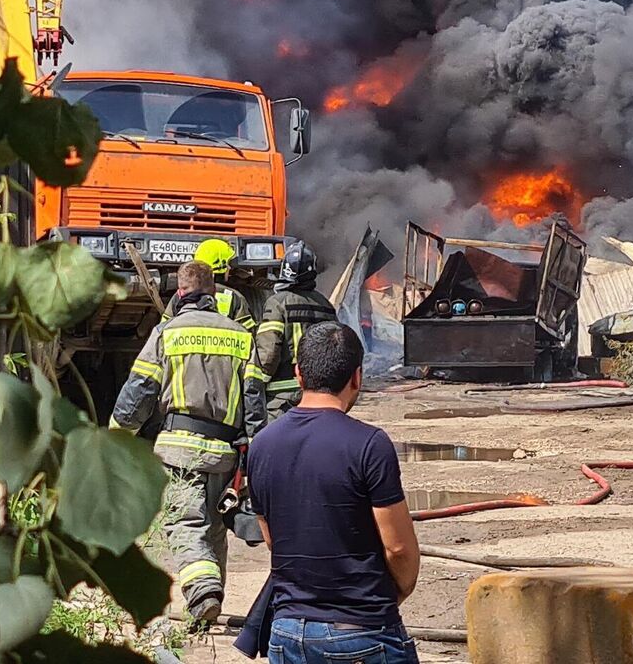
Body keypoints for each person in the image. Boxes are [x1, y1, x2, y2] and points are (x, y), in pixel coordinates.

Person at [243, 323, 420, 664]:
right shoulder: (370, 445)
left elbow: (273, 539)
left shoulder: (262, 445)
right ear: (357, 376)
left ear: (298, 374)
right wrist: (397, 591)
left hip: (287, 633)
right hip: (363, 632)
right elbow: (398, 548)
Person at [113, 260, 267, 623]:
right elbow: (255, 404)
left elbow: (139, 392)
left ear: (180, 293)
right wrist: (254, 456)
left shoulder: (167, 333)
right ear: (214, 294)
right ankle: (208, 606)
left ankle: (202, 592)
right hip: (226, 456)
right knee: (214, 528)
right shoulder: (241, 338)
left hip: (180, 450)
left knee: (185, 524)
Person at [253, 241, 339, 421]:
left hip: (282, 397)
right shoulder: (327, 307)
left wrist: (256, 384)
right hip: (318, 395)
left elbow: (268, 353)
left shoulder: (277, 303)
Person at [194, 238, 256, 331]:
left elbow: (165, 326)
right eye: (227, 264)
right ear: (221, 266)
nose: (229, 267)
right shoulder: (235, 298)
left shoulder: (181, 296)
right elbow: (248, 333)